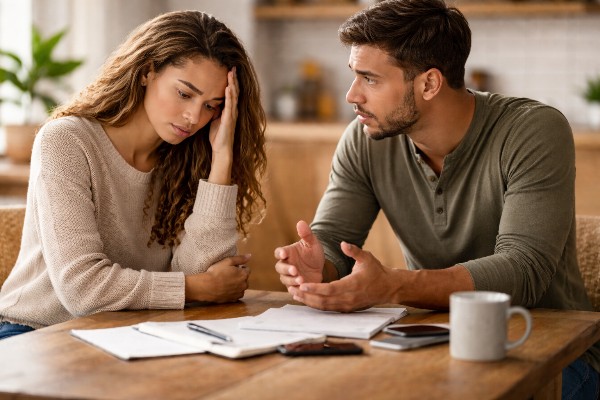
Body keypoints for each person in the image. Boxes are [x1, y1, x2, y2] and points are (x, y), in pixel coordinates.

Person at [273, 0, 599, 398]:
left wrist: (393, 286)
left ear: (428, 83)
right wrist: (318, 265)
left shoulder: (532, 131)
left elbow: (523, 271)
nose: (351, 95)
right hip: (428, 344)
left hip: (550, 356)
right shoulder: (365, 139)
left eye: (370, 79)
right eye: (354, 76)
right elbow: (334, 236)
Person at [0, 10, 267, 339]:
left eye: (212, 105)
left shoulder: (190, 156)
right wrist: (197, 287)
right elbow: (82, 290)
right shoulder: (66, 141)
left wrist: (222, 158)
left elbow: (207, 281)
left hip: (134, 333)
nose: (194, 116)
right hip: (35, 334)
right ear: (146, 72)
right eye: (184, 94)